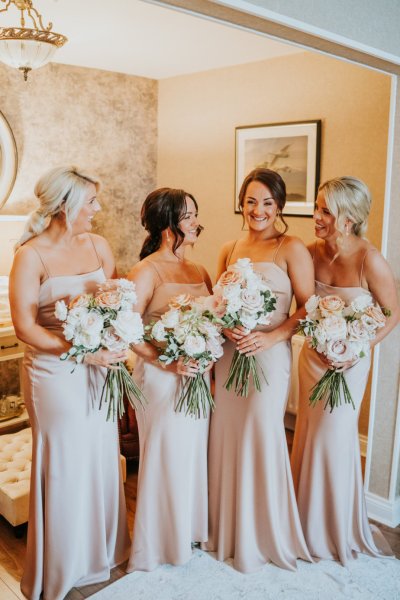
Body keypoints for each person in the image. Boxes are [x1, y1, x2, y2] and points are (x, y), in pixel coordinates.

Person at [9, 166, 130, 600]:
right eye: (92, 202)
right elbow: (25, 327)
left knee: (99, 455)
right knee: (64, 463)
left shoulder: (98, 245)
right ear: (65, 206)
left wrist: (113, 341)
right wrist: (81, 350)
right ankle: (61, 567)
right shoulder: (30, 256)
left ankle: (103, 555)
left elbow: (113, 303)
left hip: (98, 369)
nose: (98, 210)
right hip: (54, 375)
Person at [204, 168, 314, 573]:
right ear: (241, 203)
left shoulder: (292, 247)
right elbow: (217, 301)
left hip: (268, 356)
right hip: (230, 355)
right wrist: (224, 323)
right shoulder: (229, 248)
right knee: (227, 436)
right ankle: (227, 529)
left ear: (280, 206)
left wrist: (273, 337)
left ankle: (263, 534)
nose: (258, 210)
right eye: (251, 201)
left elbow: (308, 306)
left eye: (267, 202)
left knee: (261, 434)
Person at [290, 176, 399, 565]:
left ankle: (331, 528)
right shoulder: (309, 252)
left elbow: (392, 314)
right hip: (313, 361)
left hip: (349, 365)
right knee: (307, 434)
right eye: (317, 208)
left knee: (334, 437)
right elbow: (301, 306)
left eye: (324, 210)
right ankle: (300, 521)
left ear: (348, 218)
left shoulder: (371, 259)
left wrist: (358, 348)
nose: (316, 216)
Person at [126, 187, 212, 572]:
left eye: (195, 214)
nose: (197, 222)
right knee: (165, 454)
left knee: (192, 453)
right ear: (167, 225)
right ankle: (159, 542)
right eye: (189, 215)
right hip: (161, 379)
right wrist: (167, 361)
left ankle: (188, 529)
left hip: (197, 376)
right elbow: (127, 330)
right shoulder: (146, 271)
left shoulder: (199, 270)